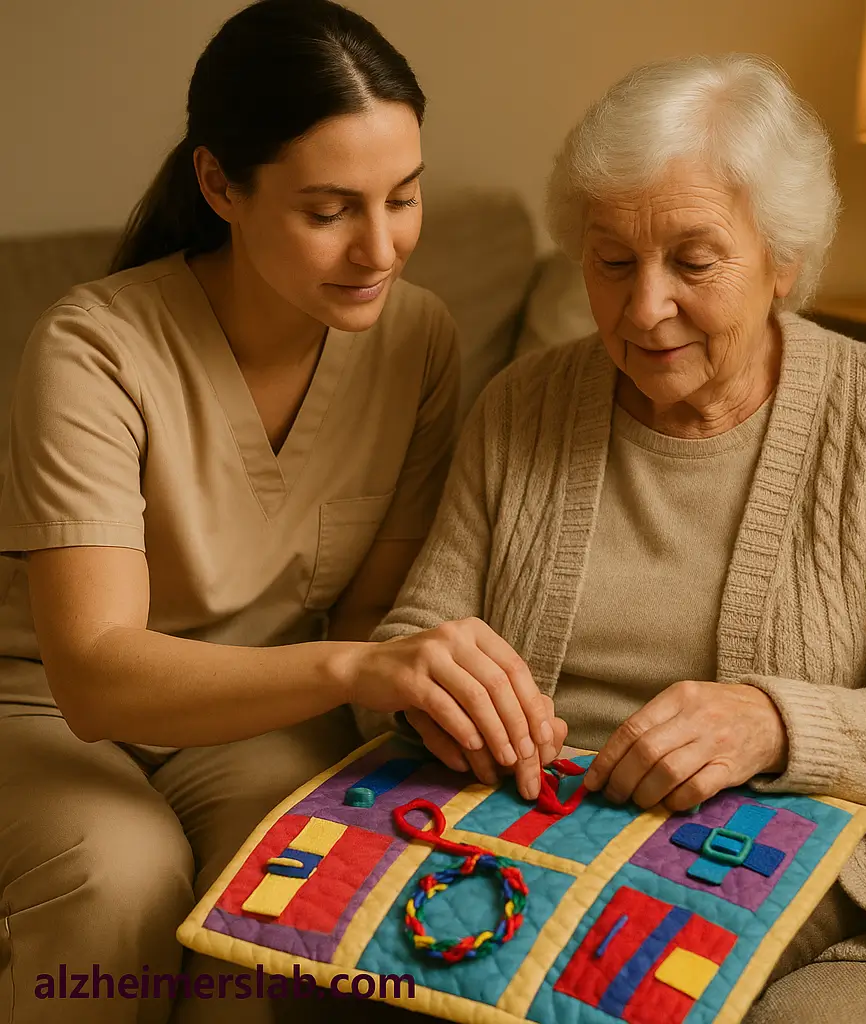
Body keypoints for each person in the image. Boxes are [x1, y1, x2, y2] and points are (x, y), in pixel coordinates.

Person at [360, 54, 866, 1016]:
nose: (643, 309)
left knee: (602, 972)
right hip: (525, 826)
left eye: (694, 262)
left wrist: (773, 722)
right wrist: (430, 694)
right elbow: (409, 639)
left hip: (765, 842)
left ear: (783, 259)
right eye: (613, 262)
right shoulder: (520, 407)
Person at [0, 2, 558, 1022]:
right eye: (330, 209)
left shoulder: (418, 339)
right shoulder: (92, 347)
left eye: (404, 197)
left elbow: (369, 613)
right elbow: (93, 674)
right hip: (42, 707)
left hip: (260, 715)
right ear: (220, 185)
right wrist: (358, 666)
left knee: (295, 869)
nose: (380, 247)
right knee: (120, 876)